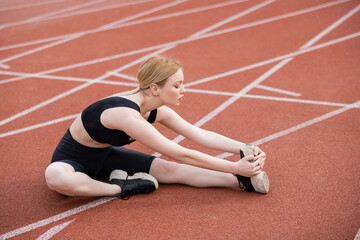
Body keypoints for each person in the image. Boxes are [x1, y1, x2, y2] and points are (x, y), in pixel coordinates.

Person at [45, 55, 269, 199]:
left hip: (107, 156)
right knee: (56, 177)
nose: (183, 90)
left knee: (171, 171)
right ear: (154, 88)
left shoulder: (156, 109)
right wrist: (234, 166)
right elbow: (180, 152)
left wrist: (243, 148)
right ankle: (122, 187)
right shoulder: (126, 116)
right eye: (177, 85)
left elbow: (200, 134)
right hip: (72, 161)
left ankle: (240, 182)